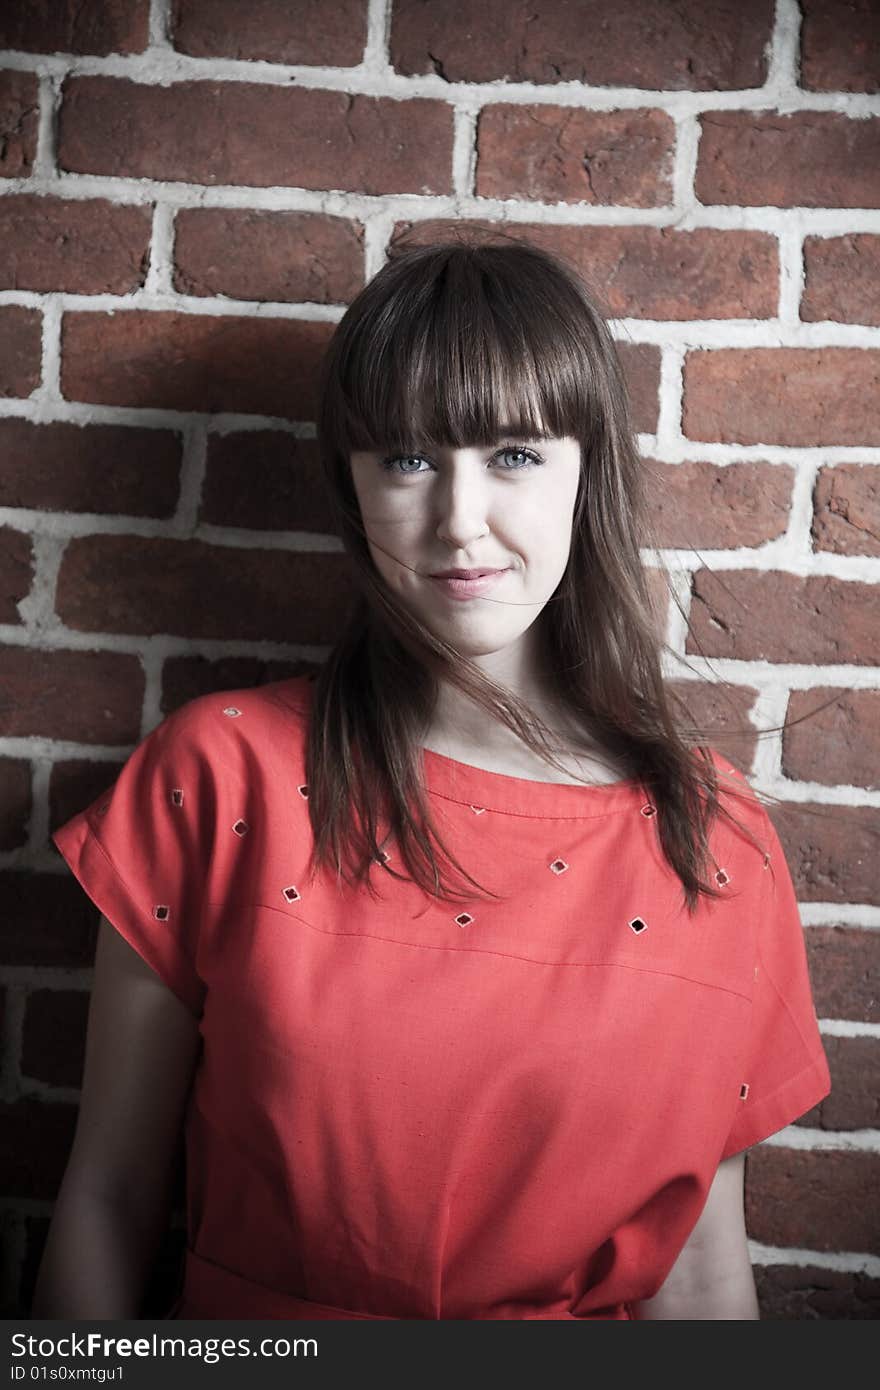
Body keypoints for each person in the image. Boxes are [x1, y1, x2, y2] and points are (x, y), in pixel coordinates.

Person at [33, 237, 831, 1321]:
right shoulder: (218, 773)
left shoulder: (714, 838)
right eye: (406, 460)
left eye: (513, 453)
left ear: (585, 469)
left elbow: (693, 1272)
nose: (459, 519)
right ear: (351, 487)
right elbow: (111, 1198)